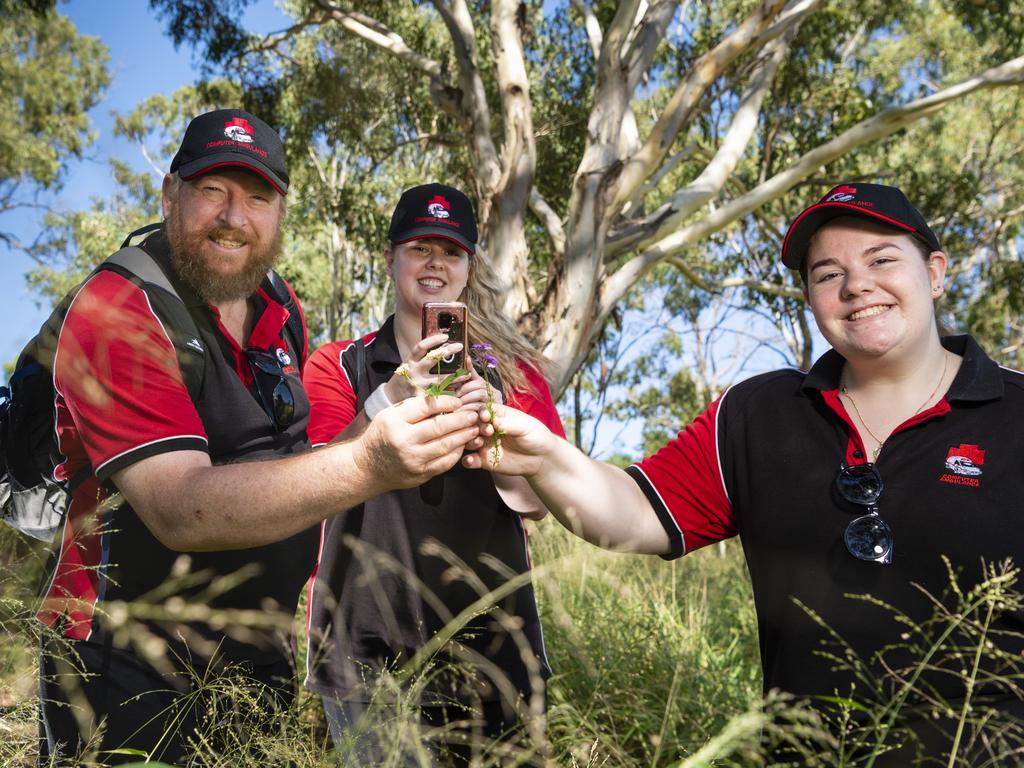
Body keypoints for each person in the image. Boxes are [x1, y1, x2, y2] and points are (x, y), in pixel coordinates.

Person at [463, 183, 1024, 764]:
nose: (857, 285)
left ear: (934, 272)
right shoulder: (757, 415)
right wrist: (545, 457)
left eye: (882, 260)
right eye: (828, 273)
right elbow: (632, 513)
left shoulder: (1015, 412)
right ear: (809, 296)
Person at [37, 111, 484, 766]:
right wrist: (372, 464)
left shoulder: (280, 308)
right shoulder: (118, 308)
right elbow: (177, 507)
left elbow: (306, 463)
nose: (234, 217)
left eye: (257, 197)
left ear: (280, 211)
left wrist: (390, 402)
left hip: (255, 660)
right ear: (171, 196)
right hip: (124, 660)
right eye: (213, 189)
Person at [302, 183, 565, 764]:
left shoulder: (518, 376)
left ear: (469, 268)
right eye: (420, 247)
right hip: (364, 647)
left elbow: (537, 503)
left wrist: (492, 426)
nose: (435, 264)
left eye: (450, 251)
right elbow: (310, 481)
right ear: (391, 258)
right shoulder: (338, 365)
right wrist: (386, 398)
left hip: (496, 642)